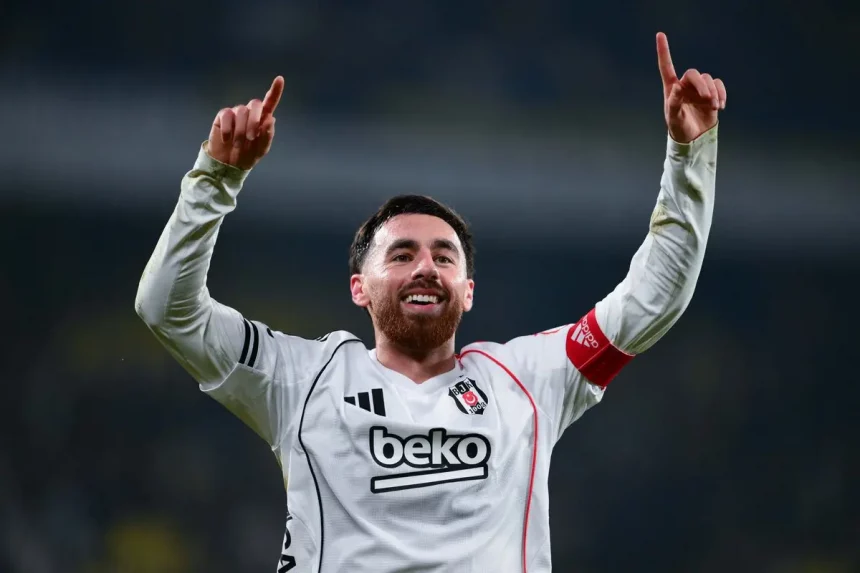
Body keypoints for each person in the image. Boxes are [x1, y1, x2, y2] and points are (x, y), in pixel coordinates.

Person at [135, 32, 725, 573]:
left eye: (445, 257)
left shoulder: (528, 380)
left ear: (467, 291)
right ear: (359, 288)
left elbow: (653, 297)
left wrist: (689, 154)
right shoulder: (300, 379)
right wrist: (215, 178)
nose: (425, 267)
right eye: (401, 255)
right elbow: (167, 309)